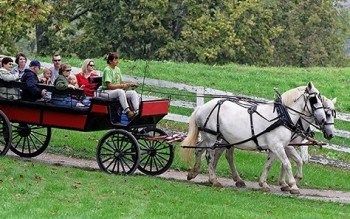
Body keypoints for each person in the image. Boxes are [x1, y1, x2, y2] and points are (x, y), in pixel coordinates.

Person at [99, 52, 139, 118]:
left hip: (116, 91)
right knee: (120, 91)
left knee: (133, 93)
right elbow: (109, 86)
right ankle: (128, 112)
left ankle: (137, 111)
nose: (117, 61)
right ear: (110, 61)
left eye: (118, 59)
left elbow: (121, 82)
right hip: (106, 92)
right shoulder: (107, 70)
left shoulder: (117, 69)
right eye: (115, 60)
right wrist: (122, 86)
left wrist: (130, 84)